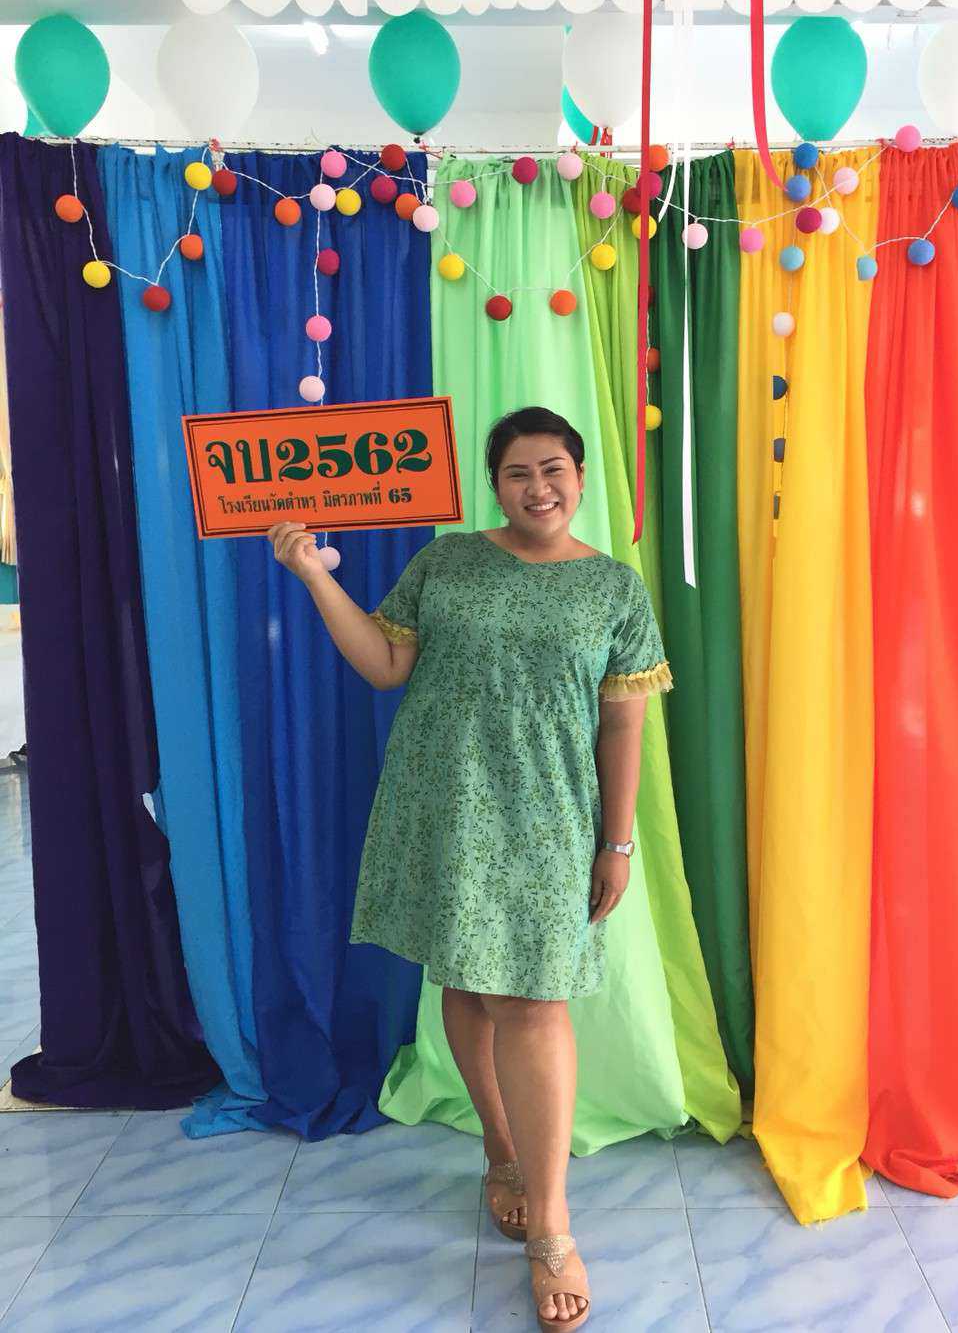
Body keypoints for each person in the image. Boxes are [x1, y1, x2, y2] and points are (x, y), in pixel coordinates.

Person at [268, 405, 672, 1331]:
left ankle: (552, 1229)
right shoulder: (447, 560)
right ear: (495, 484)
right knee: (466, 980)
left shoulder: (614, 588)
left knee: (535, 1000)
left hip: (551, 817)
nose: (540, 488)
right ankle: (501, 1148)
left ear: (580, 477)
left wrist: (617, 843)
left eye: (555, 469)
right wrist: (313, 575)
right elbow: (385, 664)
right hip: (446, 805)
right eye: (519, 472)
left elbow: (623, 726)